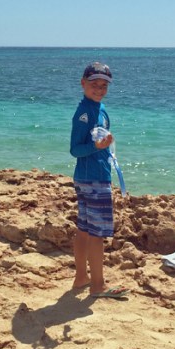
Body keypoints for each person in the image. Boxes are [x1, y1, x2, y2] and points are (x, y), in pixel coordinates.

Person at [69, 62, 130, 300]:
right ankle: (98, 285)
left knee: (84, 230)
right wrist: (96, 146)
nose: (99, 89)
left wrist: (104, 144)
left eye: (104, 85)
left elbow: (100, 140)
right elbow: (75, 149)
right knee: (97, 234)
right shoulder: (84, 113)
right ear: (83, 84)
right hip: (92, 180)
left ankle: (81, 278)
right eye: (94, 84)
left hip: (93, 176)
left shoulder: (99, 108)